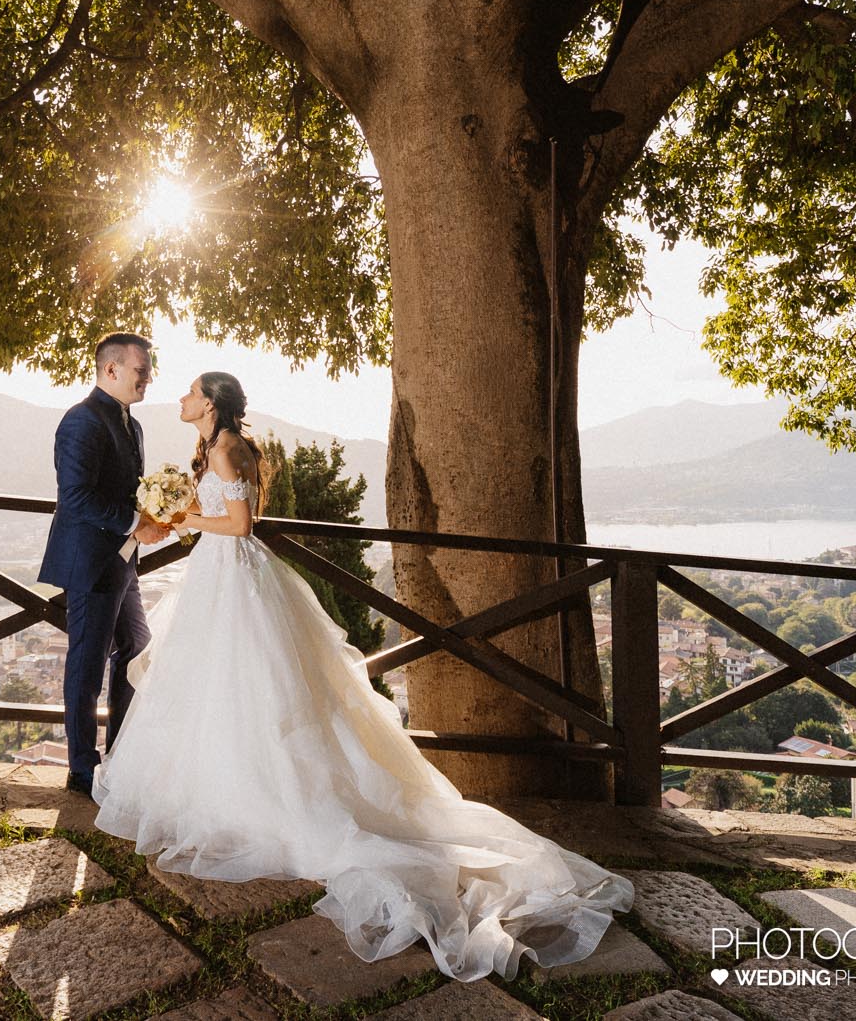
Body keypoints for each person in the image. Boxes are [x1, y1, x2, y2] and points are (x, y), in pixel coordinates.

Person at [91, 370, 633, 982]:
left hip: (233, 577)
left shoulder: (226, 446)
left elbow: (241, 525)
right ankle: (227, 788)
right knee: (222, 693)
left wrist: (188, 522)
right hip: (219, 579)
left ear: (211, 403)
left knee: (254, 690)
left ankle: (273, 802)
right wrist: (180, 507)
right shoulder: (216, 449)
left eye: (192, 391)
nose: (182, 398)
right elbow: (223, 506)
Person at [37, 332, 170, 797]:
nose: (148, 378)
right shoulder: (81, 421)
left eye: (148, 371)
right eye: (141, 370)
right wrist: (137, 522)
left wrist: (157, 512)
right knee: (87, 665)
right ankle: (82, 768)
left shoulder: (131, 425)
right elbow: (75, 498)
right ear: (110, 370)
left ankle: (119, 754)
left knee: (136, 648)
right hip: (91, 562)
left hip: (122, 559)